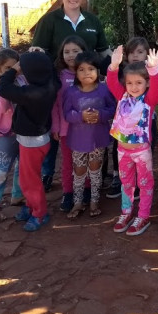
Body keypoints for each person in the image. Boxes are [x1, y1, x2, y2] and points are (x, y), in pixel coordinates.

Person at [30, 0, 111, 192]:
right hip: (58, 84)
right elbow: (37, 51)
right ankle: (49, 174)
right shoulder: (49, 21)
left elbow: (103, 52)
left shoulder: (93, 21)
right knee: (58, 128)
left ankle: (95, 179)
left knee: (91, 126)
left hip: (88, 84)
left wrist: (116, 71)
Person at [0, 51, 60, 232]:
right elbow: (54, 75)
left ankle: (40, 213)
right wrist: (44, 57)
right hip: (37, 141)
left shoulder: (31, 93)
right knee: (28, 178)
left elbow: (3, 88)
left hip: (32, 144)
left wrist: (13, 71)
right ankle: (32, 206)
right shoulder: (50, 87)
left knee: (29, 181)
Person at [107, 46, 158, 236]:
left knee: (145, 184)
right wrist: (114, 65)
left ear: (146, 83)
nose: (134, 86)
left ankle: (143, 215)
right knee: (126, 183)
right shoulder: (122, 96)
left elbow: (157, 88)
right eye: (129, 83)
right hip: (123, 151)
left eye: (139, 82)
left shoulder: (149, 100)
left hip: (141, 151)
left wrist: (153, 70)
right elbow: (112, 82)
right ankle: (126, 212)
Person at [63, 52, 115, 218]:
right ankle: (78, 202)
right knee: (78, 171)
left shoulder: (104, 90)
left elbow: (113, 109)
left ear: (98, 71)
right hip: (78, 140)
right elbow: (66, 114)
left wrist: (100, 115)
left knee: (95, 170)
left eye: (91, 68)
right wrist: (80, 116)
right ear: (76, 73)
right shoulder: (71, 92)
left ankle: (94, 201)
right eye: (82, 69)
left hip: (98, 140)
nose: (86, 73)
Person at [0, 48, 25, 222]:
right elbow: (2, 108)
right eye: (8, 68)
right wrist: (3, 86)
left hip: (24, 132)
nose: (13, 72)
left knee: (22, 167)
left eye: (16, 67)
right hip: (6, 135)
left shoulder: (22, 80)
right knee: (1, 169)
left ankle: (17, 195)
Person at [51, 35, 89, 212]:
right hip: (67, 130)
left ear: (84, 52)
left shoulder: (90, 73)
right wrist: (56, 127)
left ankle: (87, 190)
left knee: (87, 160)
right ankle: (68, 193)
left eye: (75, 51)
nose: (71, 55)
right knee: (68, 162)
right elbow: (56, 105)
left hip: (87, 129)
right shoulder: (59, 76)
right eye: (67, 51)